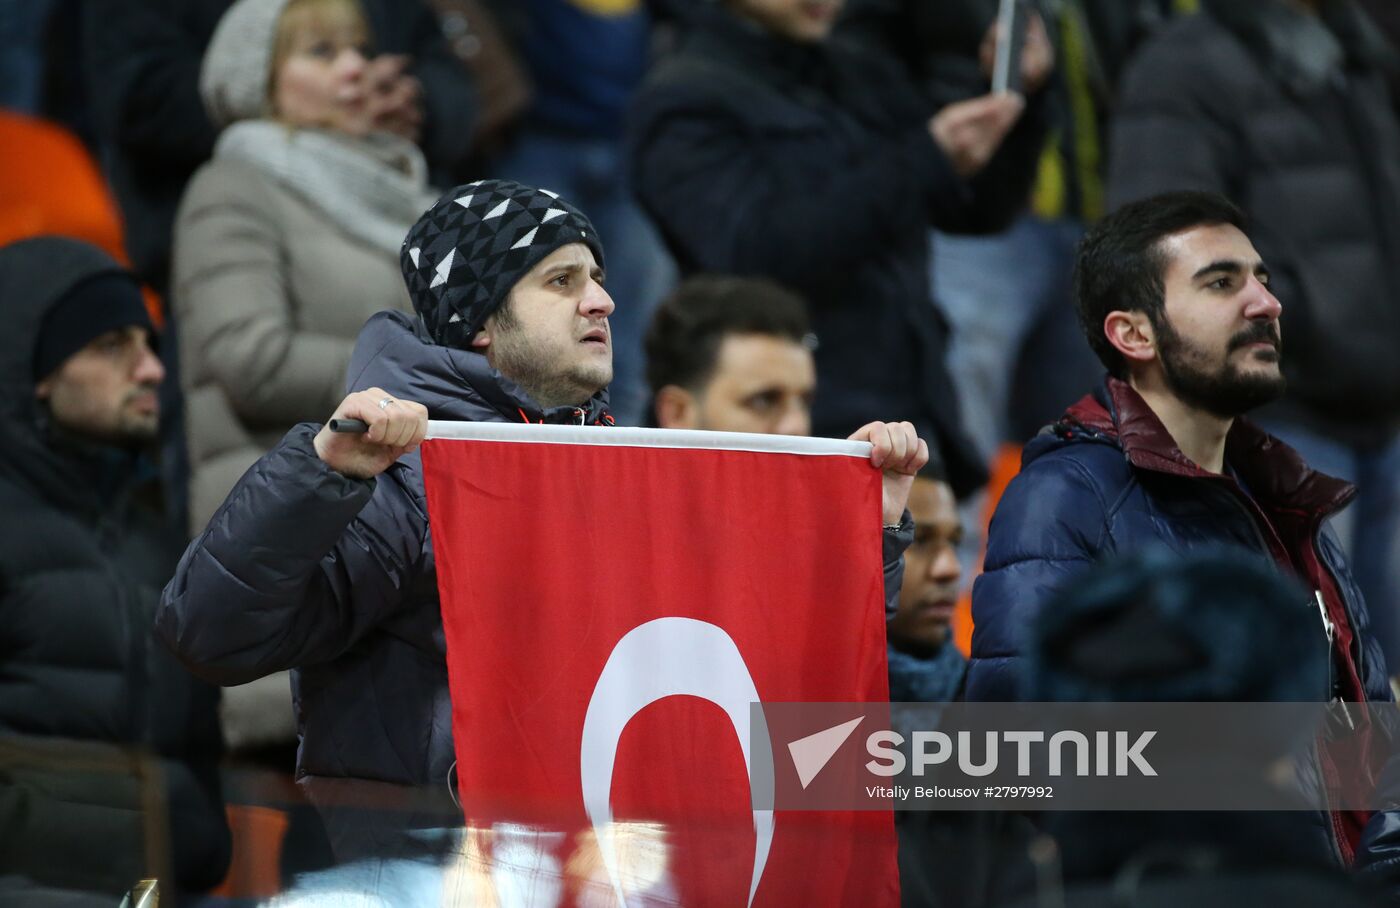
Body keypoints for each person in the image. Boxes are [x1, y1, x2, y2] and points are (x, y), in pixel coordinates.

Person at [156, 180, 927, 860]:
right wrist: (319, 474)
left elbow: (763, 666)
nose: (602, 299)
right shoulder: (400, 479)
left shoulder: (622, 469)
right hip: (436, 872)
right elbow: (207, 632)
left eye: (595, 276)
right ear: (481, 320)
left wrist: (873, 532)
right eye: (562, 281)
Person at [968, 191, 1394, 869]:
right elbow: (1017, 746)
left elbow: (1364, 754)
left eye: (1263, 279)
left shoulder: (1286, 500)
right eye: (1222, 283)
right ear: (1133, 334)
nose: (1265, 303)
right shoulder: (1065, 495)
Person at [628, 0, 1053, 498]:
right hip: (793, 431)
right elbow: (752, 249)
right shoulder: (681, 97)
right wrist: (924, 159)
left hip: (910, 412)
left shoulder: (858, 69)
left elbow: (977, 210)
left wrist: (1024, 100)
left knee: (926, 572)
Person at [1106, 0, 1400, 673]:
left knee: (1374, 684)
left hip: (1382, 413)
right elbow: (1163, 256)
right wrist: (1300, 325)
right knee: (1296, 681)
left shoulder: (1356, 50)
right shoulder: (1181, 67)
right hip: (1281, 419)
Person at [0, 236, 229, 901]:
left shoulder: (159, 530)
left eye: (148, 342)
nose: (151, 369)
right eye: (110, 347)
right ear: (32, 372)